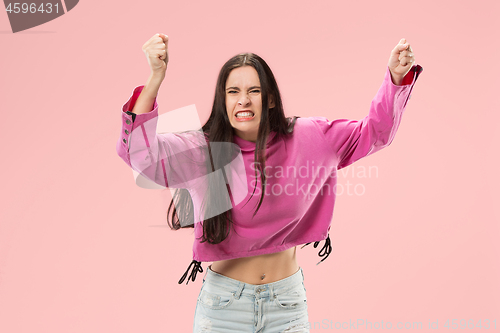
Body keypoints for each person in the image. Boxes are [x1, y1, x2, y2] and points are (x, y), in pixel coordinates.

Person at [116, 33, 423, 332]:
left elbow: (375, 133)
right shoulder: (204, 152)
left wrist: (395, 79)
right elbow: (141, 156)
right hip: (224, 310)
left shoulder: (310, 137)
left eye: (255, 91)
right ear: (223, 101)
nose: (243, 101)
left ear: (272, 98)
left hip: (286, 306)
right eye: (233, 92)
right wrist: (155, 78)